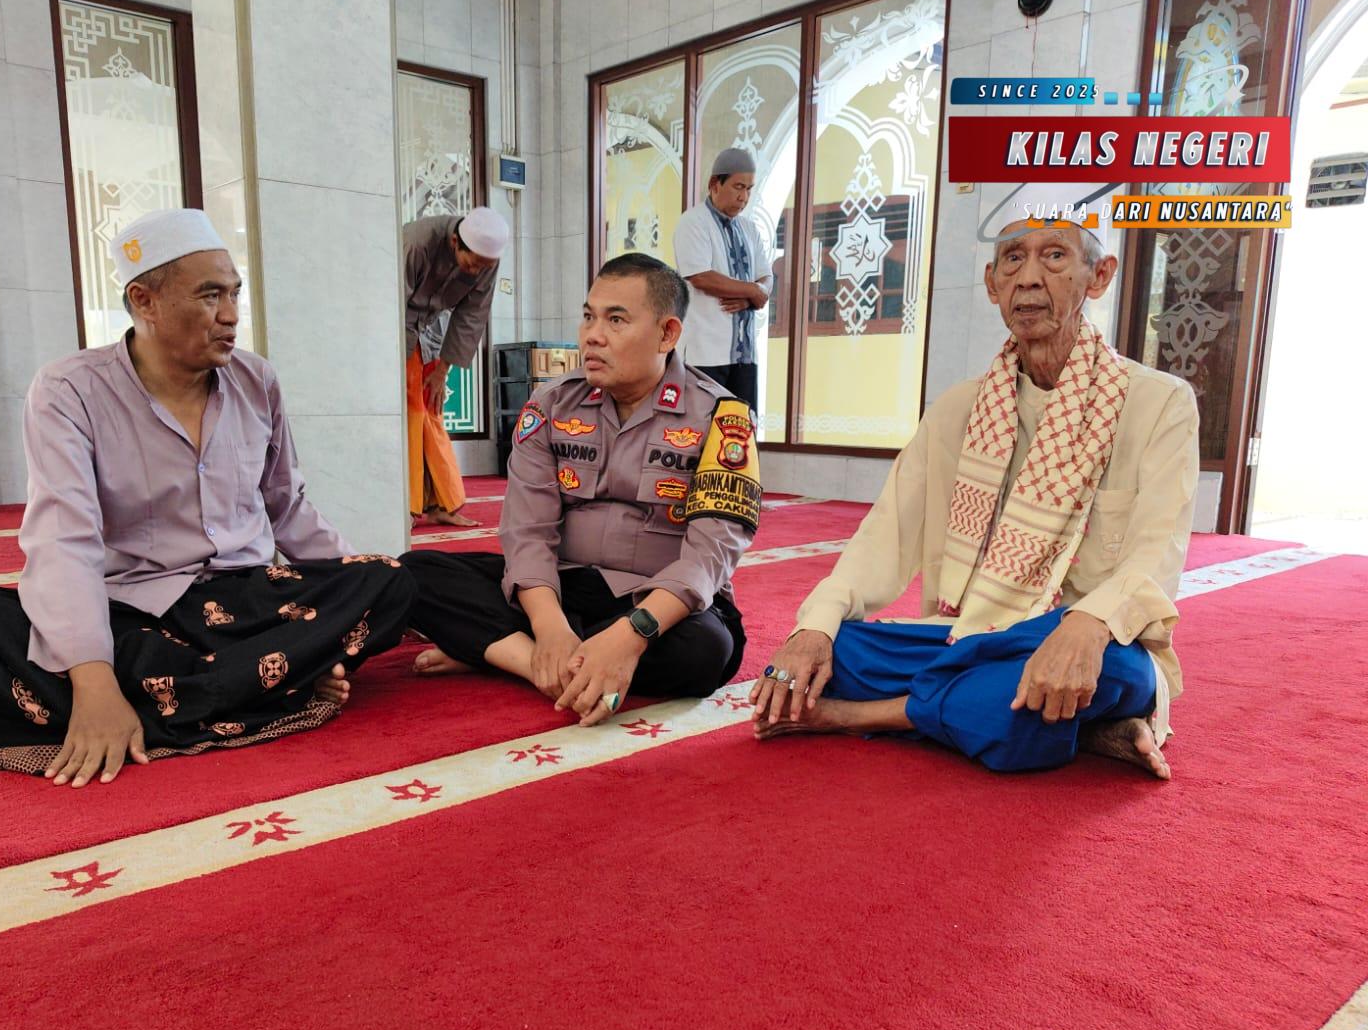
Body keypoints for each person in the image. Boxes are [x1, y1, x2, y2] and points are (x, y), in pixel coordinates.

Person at [0, 209, 415, 786]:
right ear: (144, 301)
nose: (230, 315)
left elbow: (287, 504)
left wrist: (351, 583)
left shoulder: (257, 381)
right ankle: (273, 684)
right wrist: (93, 680)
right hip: (132, 614)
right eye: (209, 295)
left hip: (245, 608)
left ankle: (197, 694)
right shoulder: (69, 391)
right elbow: (63, 539)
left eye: (234, 293)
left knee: (389, 579)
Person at [751, 192, 1199, 778]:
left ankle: (864, 716)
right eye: (1013, 259)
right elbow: (884, 537)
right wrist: (814, 629)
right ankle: (1070, 724)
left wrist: (1085, 626)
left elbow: (1153, 559)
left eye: (1055, 256)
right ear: (992, 283)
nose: (1029, 278)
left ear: (1099, 276)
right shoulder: (959, 408)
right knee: (843, 652)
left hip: (1085, 636)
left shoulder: (1159, 402)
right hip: (969, 636)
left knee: (1122, 668)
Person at [400, 253, 761, 726]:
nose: (592, 335)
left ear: (667, 334)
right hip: (560, 589)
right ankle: (543, 659)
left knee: (706, 650)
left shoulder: (722, 418)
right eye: (589, 316)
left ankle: (504, 652)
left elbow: (709, 557)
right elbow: (527, 531)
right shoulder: (551, 404)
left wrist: (631, 635)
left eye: (616, 320)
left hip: (653, 601)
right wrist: (549, 626)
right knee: (412, 573)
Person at [403, 206, 509, 527]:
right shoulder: (416, 243)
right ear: (454, 243)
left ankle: (442, 503)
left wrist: (441, 372)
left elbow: (471, 316)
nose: (476, 272)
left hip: (432, 328)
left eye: (484, 266)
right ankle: (405, 505)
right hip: (398, 322)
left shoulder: (486, 262)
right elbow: (388, 300)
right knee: (411, 410)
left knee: (431, 408)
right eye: (472, 263)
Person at [673, 148, 773, 411]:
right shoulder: (693, 222)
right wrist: (753, 291)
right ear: (715, 184)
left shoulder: (750, 229)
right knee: (702, 429)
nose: (744, 197)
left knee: (743, 429)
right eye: (738, 187)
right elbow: (700, 276)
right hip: (704, 356)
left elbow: (767, 277)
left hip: (745, 356)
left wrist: (751, 298)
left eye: (749, 189)